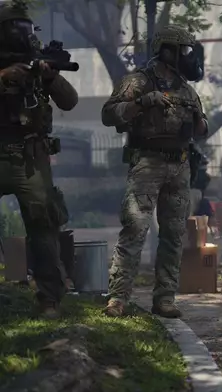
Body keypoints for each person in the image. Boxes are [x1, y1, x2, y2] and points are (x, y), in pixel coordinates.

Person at [101, 25, 208, 318]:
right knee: (135, 229)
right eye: (183, 50)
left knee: (174, 234)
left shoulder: (187, 88)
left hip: (180, 166)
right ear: (166, 50)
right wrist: (141, 102)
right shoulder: (139, 81)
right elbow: (109, 114)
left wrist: (199, 120)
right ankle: (118, 298)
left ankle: (164, 298)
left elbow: (202, 130)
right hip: (148, 163)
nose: (187, 56)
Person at [0, 2, 78, 318]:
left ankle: (49, 299)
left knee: (44, 226)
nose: (23, 34)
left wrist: (49, 78)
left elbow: (70, 102)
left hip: (30, 157)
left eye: (26, 28)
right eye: (15, 28)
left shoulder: (35, 64)